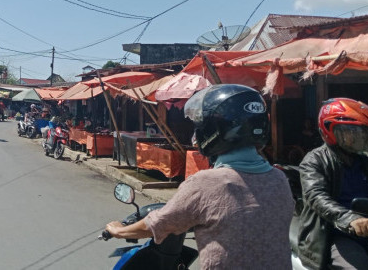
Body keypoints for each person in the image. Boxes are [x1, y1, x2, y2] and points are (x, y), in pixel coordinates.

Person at [105, 84, 294, 269]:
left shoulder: (205, 183)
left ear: (213, 130)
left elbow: (159, 224)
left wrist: (119, 231)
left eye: (200, 125)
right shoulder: (279, 179)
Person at [296, 97, 368, 269]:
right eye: (354, 132)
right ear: (331, 130)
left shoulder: (367, 162)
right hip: (334, 233)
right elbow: (316, 196)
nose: (361, 138)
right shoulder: (314, 160)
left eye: (364, 133)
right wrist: (350, 219)